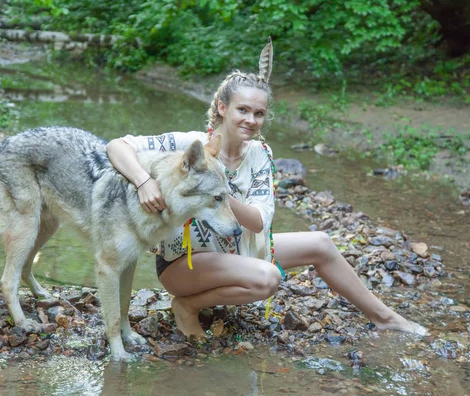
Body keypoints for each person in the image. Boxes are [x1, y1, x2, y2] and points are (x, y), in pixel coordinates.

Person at [106, 39, 427, 338]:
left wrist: (219, 190)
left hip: (240, 249)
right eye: (242, 110)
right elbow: (118, 146)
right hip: (185, 264)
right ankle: (187, 305)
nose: (251, 119)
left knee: (322, 243)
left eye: (258, 113)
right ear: (222, 108)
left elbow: (259, 222)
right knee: (268, 277)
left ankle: (384, 317)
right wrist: (144, 180)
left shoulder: (262, 155)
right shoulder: (188, 145)